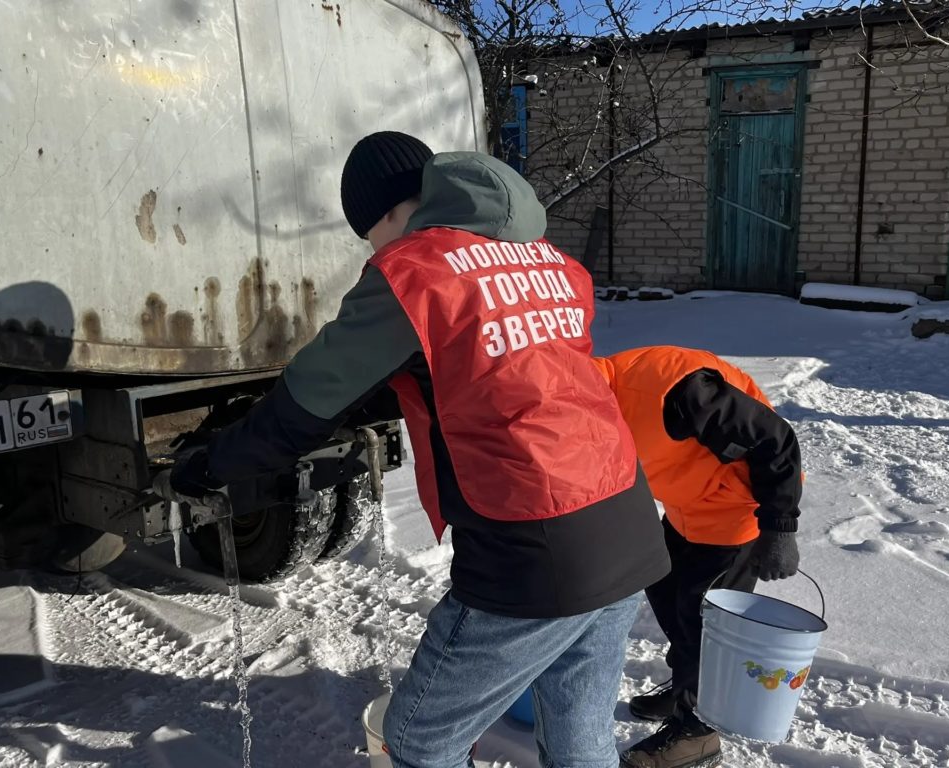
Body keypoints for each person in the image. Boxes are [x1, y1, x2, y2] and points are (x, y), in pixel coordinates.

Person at [164, 132, 671, 768]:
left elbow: (301, 407)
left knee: (418, 743)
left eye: (369, 234)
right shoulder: (544, 258)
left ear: (389, 213)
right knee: (580, 742)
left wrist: (212, 465)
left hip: (535, 550)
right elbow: (492, 371)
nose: (374, 251)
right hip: (624, 519)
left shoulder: (417, 271)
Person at [589, 346, 803, 768]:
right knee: (664, 590)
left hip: (736, 508)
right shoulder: (591, 400)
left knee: (703, 624)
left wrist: (779, 527)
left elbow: (775, 440)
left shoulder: (679, 392)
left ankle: (698, 732)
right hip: (688, 506)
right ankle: (686, 687)